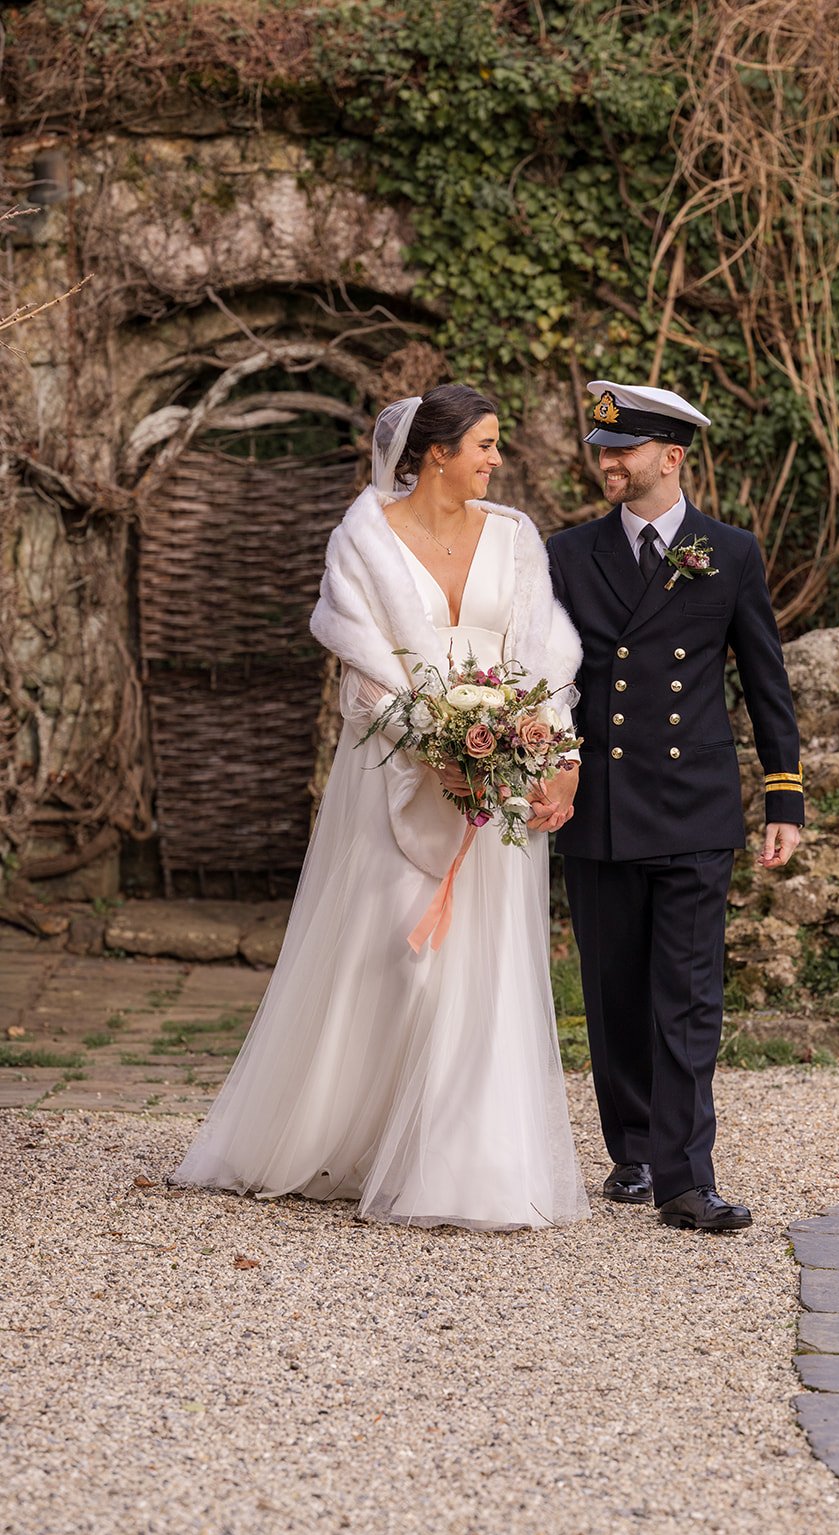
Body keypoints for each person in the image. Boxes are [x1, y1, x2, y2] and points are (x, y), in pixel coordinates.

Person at [172, 385, 590, 1231]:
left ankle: (469, 1162)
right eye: (483, 444)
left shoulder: (513, 538)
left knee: (485, 953)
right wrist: (436, 747)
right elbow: (363, 667)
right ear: (435, 452)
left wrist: (556, 753)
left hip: (502, 755)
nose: (496, 459)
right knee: (393, 949)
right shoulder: (363, 537)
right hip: (399, 765)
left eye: (496, 444)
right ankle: (350, 1137)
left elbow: (541, 650)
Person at [541, 381, 803, 1232]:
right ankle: (634, 1154)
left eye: (623, 450)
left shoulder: (728, 550)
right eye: (602, 449)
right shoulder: (566, 554)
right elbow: (543, 678)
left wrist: (784, 796)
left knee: (687, 996)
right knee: (614, 992)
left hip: (693, 804)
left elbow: (764, 679)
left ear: (671, 457)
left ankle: (687, 1180)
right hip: (602, 806)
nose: (608, 462)